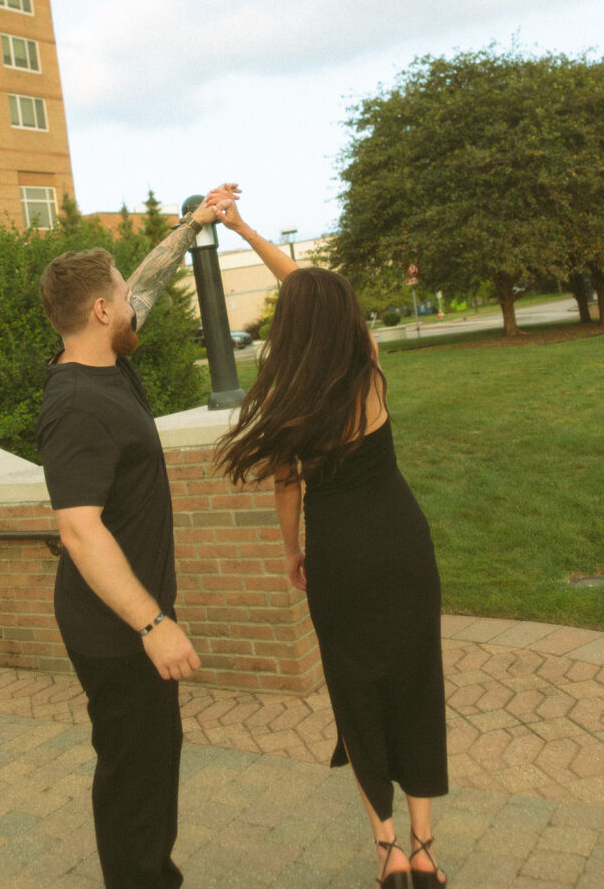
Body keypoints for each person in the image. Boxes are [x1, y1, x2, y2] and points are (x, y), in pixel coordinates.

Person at [212, 187, 448, 889]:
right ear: (345, 320)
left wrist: (293, 553)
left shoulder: (287, 401)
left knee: (356, 689)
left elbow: (288, 490)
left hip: (338, 553)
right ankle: (426, 847)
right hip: (402, 543)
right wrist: (248, 229)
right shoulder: (365, 366)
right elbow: (318, 292)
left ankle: (386, 852)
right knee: (415, 681)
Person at [36, 188, 226, 889]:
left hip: (126, 619)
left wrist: (191, 224)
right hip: (116, 627)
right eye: (117, 294)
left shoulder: (104, 360)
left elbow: (146, 283)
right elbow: (78, 530)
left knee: (148, 763)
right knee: (135, 779)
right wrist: (152, 624)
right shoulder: (79, 405)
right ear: (98, 311)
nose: (130, 300)